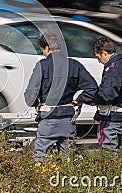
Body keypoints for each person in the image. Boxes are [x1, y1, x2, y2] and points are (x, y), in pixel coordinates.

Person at [24, 33, 98, 162]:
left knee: (40, 156)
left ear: (46, 48)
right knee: (68, 158)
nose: (43, 54)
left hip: (48, 119)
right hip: (68, 120)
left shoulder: (42, 65)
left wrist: (36, 103)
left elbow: (30, 94)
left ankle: (41, 181)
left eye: (42, 50)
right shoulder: (75, 65)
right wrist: (79, 100)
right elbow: (92, 88)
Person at [91, 36, 122, 155]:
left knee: (108, 150)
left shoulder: (113, 68)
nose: (98, 61)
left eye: (98, 57)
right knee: (114, 148)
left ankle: (111, 173)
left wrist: (91, 98)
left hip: (111, 116)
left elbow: (107, 95)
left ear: (104, 53)